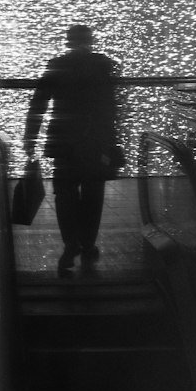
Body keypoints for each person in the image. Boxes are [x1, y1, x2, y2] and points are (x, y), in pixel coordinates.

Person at [23, 24, 121, 277]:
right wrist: (112, 141)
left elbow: (39, 103)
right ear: (91, 41)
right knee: (93, 195)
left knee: (64, 196)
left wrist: (30, 137)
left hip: (63, 141)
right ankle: (88, 244)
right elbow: (111, 108)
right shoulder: (103, 66)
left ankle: (70, 244)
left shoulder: (57, 64)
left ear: (68, 42)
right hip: (95, 141)